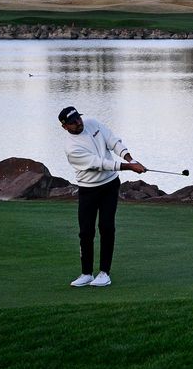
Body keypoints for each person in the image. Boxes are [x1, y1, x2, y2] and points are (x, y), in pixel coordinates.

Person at [59, 106, 145, 288]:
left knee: (106, 227)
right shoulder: (71, 148)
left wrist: (130, 159)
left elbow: (113, 141)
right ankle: (86, 273)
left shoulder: (92, 123)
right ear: (65, 127)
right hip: (88, 189)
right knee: (86, 232)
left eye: (78, 119)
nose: (78, 123)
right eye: (73, 122)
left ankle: (104, 273)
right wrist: (129, 167)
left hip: (110, 186)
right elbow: (100, 164)